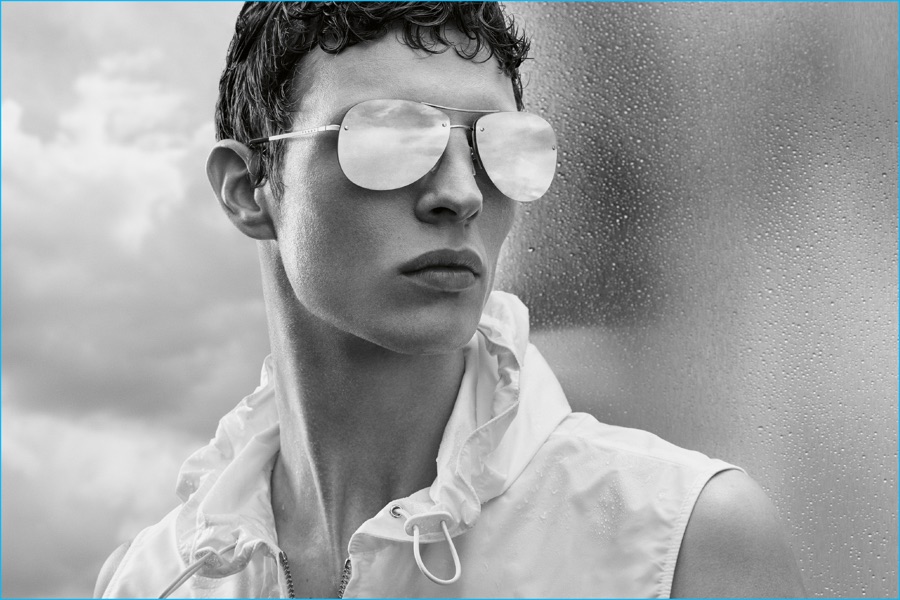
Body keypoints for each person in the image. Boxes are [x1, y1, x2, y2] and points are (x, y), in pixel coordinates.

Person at [95, 2, 806, 597]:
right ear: (248, 190)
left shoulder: (683, 542)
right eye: (388, 137)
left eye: (502, 146)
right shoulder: (152, 582)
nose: (461, 194)